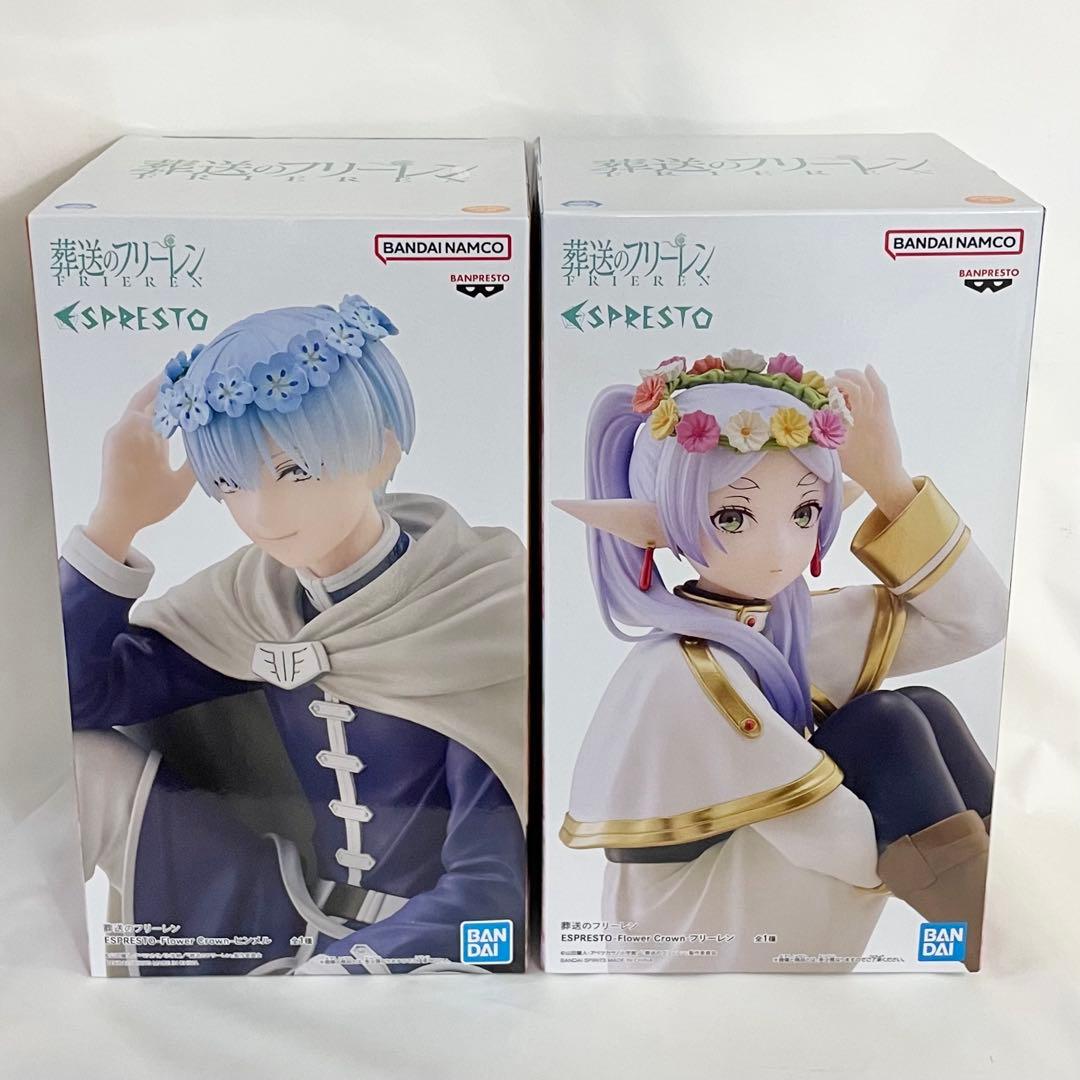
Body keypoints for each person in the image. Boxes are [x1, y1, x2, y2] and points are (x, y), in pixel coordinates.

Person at [62, 294, 527, 975]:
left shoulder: (472, 612)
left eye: (293, 471)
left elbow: (491, 892)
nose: (261, 512)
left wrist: (337, 975)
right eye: (231, 482)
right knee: (73, 765)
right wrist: (115, 522)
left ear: (381, 451)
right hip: (281, 915)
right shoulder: (250, 603)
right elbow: (67, 703)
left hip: (420, 956)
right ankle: (34, 995)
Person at [557, 350, 1003, 972]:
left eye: (803, 513)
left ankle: (1015, 913)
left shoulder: (794, 625)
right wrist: (901, 821)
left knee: (924, 709)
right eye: (732, 517)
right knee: (889, 727)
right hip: (698, 941)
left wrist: (891, 485)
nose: (778, 548)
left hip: (781, 893)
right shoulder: (680, 672)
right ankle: (1004, 943)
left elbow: (978, 620)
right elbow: (833, 841)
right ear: (657, 526)